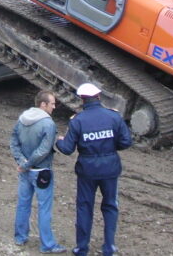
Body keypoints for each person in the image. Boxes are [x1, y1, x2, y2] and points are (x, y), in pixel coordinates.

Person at [55, 83, 133, 256]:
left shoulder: (78, 121)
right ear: (98, 97)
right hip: (110, 169)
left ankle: (82, 248)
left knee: (84, 207)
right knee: (111, 206)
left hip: (87, 171)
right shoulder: (113, 117)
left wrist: (59, 140)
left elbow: (67, 149)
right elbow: (126, 142)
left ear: (82, 100)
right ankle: (109, 247)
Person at [10, 90, 67, 254]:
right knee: (44, 208)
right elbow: (44, 150)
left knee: (23, 204)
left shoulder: (23, 118)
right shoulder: (48, 124)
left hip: (25, 172)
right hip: (42, 172)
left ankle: (20, 237)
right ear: (43, 104)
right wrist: (28, 164)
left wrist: (21, 162)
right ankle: (47, 244)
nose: (54, 107)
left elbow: (13, 141)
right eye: (52, 104)